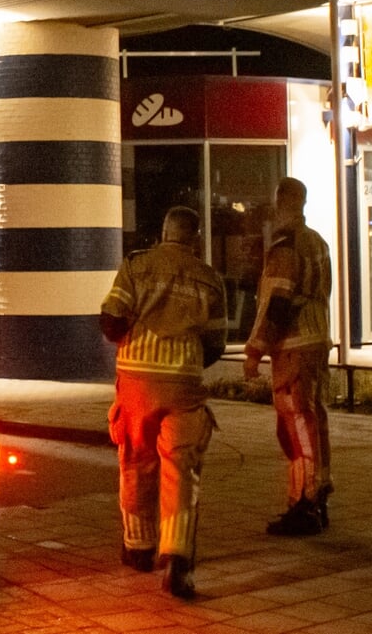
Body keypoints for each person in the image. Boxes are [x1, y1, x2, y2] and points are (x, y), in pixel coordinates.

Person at [100, 205, 227, 599]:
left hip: (137, 380)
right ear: (196, 238)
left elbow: (111, 319)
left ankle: (138, 546)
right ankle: (177, 557)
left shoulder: (137, 266)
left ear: (163, 232)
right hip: (184, 383)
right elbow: (216, 344)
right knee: (181, 468)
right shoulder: (210, 279)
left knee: (136, 460)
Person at [243, 176, 334, 536]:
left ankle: (304, 503)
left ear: (282, 203)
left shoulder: (286, 246)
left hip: (294, 348)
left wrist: (254, 352)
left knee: (296, 426)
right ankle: (319, 492)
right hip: (316, 341)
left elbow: (278, 303)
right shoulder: (318, 242)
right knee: (314, 420)